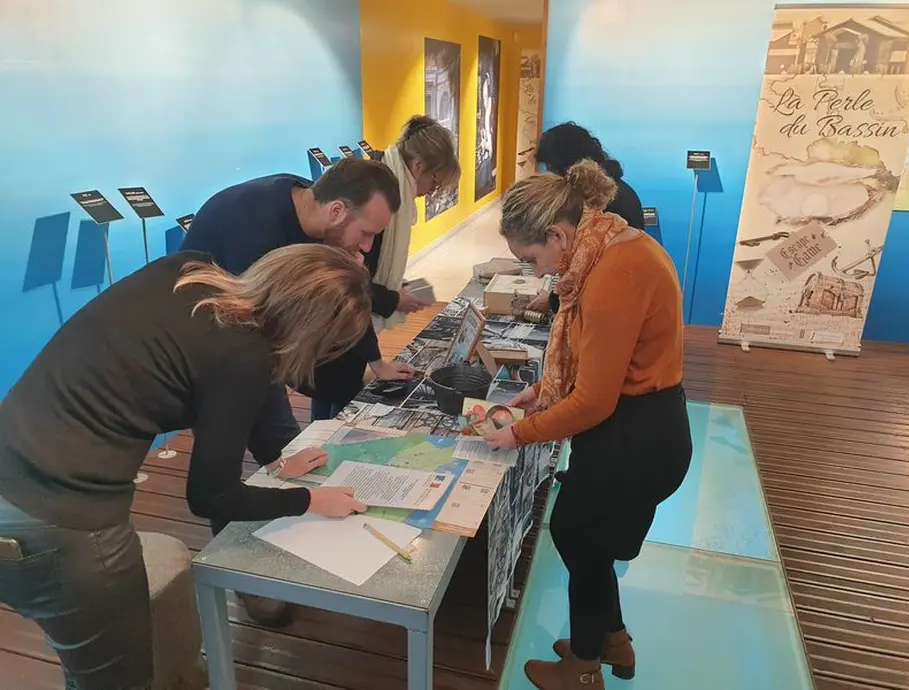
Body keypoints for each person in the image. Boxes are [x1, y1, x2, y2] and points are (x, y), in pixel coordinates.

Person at [0, 244, 372, 690]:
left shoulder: (187, 272)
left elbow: (225, 382)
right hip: (60, 521)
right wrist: (310, 499)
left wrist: (275, 461)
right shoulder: (244, 356)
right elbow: (211, 498)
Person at [484, 161, 692, 689]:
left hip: (637, 434)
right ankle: (610, 640)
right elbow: (598, 357)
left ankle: (582, 668)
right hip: (640, 423)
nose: (538, 274)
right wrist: (543, 390)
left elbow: (595, 401)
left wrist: (519, 432)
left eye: (532, 259)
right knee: (582, 538)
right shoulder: (612, 245)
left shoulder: (612, 276)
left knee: (581, 537)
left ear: (557, 234)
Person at [180, 157, 412, 624]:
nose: (367, 247)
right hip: (206, 352)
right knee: (230, 460)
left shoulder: (314, 210)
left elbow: (342, 303)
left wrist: (372, 362)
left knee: (288, 448)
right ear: (339, 211)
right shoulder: (255, 231)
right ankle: (242, 573)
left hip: (243, 348)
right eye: (366, 234)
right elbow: (276, 354)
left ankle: (293, 541)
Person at [310, 115, 460, 420]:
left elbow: (365, 272)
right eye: (434, 182)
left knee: (331, 392)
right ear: (418, 165)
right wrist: (392, 298)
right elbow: (350, 282)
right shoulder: (382, 200)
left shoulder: (384, 186)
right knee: (335, 393)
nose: (431, 192)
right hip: (337, 324)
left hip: (345, 324)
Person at [532, 122, 661, 317]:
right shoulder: (614, 192)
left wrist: (553, 300)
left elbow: (589, 270)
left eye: (552, 170)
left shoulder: (604, 206)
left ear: (568, 168)